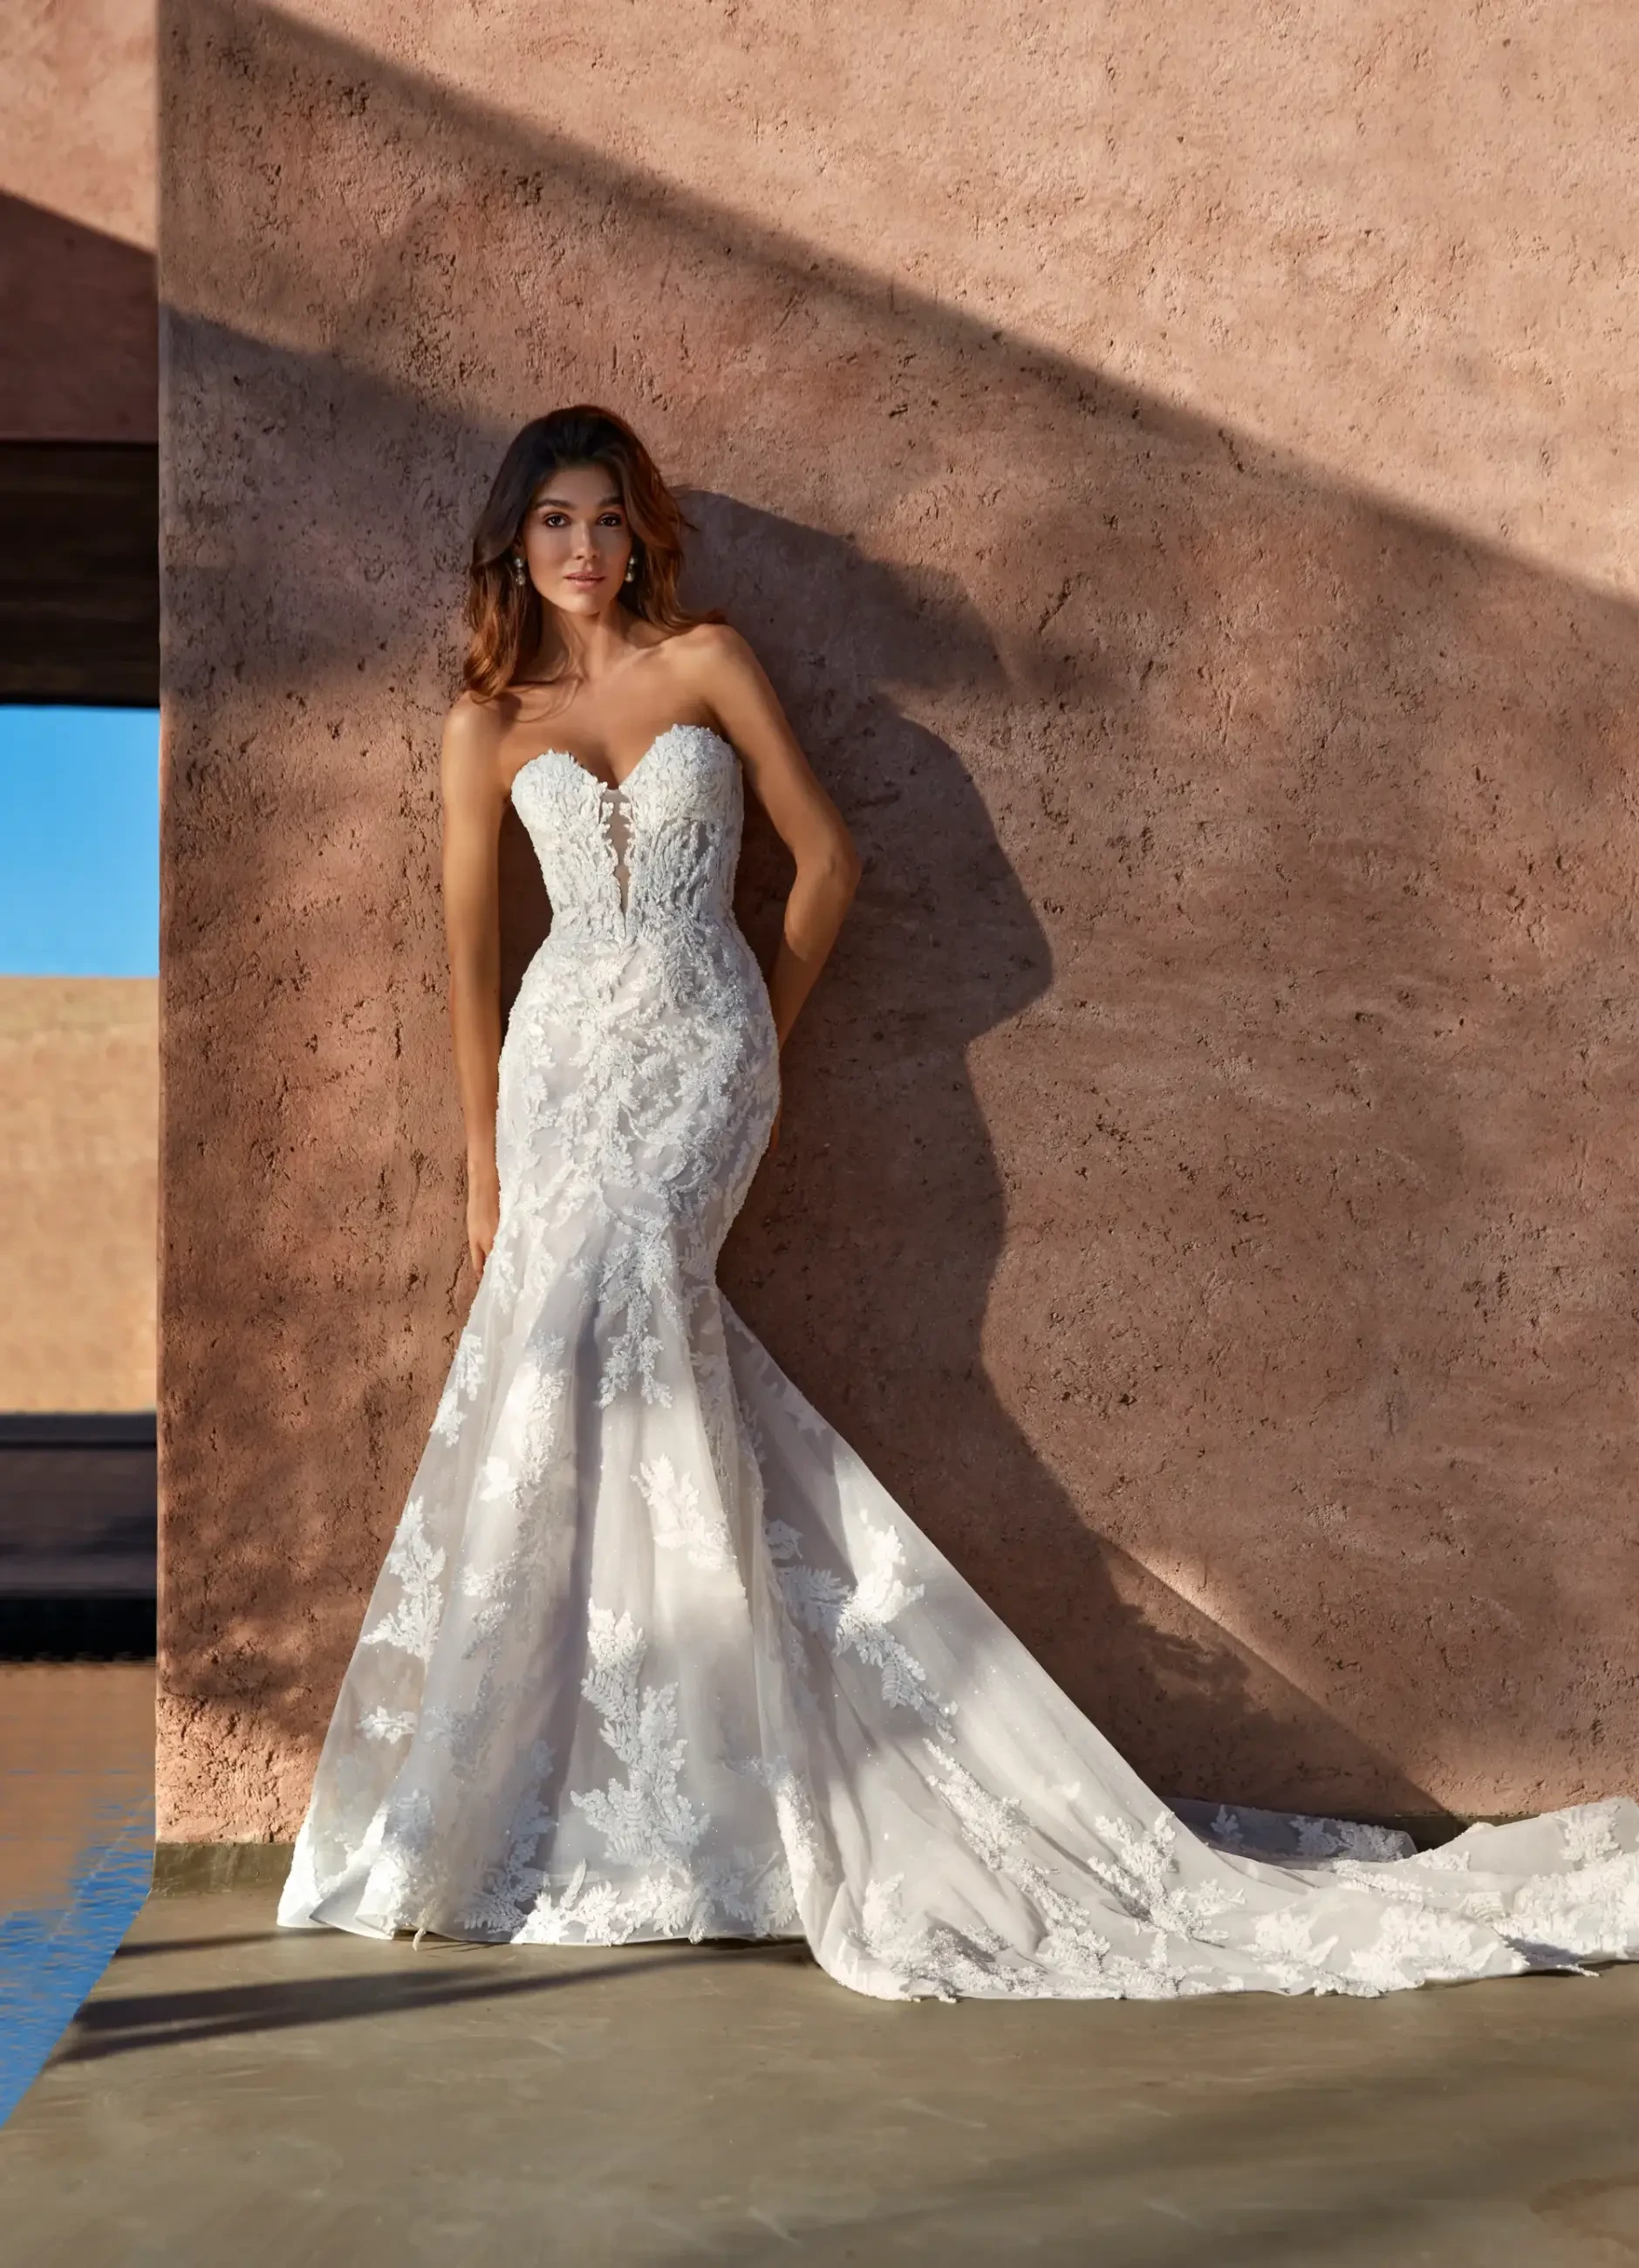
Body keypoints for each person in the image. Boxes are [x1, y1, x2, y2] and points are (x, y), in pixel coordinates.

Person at [278, 405, 1639, 2000]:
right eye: (552, 525)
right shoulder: (481, 724)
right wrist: (480, 1174)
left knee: (632, 1324)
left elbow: (827, 860)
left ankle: (690, 1792)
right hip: (558, 1063)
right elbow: (468, 961)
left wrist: (750, 1044)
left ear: (642, 532)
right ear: (516, 544)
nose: (581, 550)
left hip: (700, 1059)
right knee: (575, 1368)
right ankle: (597, 1799)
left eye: (603, 520)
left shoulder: (707, 660)